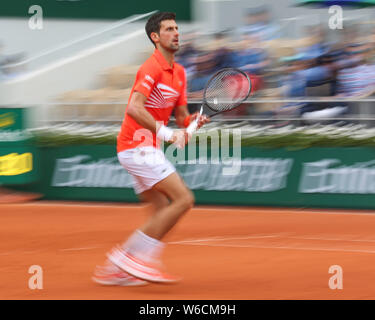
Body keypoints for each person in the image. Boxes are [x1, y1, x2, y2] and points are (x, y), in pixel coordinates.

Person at [92, 12, 209, 286]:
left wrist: (194, 122)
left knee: (159, 208)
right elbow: (134, 107)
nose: (177, 32)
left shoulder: (179, 73)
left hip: (144, 148)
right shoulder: (150, 68)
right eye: (169, 29)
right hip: (136, 146)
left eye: (177, 28)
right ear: (155, 37)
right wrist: (168, 134)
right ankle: (131, 259)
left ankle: (116, 268)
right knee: (183, 200)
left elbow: (182, 118)